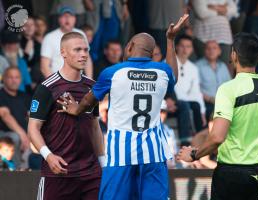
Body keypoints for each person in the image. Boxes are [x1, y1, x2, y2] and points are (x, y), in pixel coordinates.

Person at [57, 14, 189, 200]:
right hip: (153, 153)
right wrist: (170, 40)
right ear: (151, 55)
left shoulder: (113, 72)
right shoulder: (162, 71)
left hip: (121, 153)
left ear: (129, 47)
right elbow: (174, 76)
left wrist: (76, 109)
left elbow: (89, 101)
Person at [177, 32, 258, 200]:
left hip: (230, 172)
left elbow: (217, 137)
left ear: (233, 55)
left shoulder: (228, 89)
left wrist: (194, 155)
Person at [28, 32, 104, 200]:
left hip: (91, 174)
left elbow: (94, 127)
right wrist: (48, 156)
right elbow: (33, 128)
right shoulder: (47, 87)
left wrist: (103, 163)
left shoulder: (92, 87)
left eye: (86, 50)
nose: (83, 54)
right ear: (63, 53)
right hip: (58, 172)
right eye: (77, 50)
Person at [40, 6, 93, 78]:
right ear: (59, 19)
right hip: (57, 81)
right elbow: (44, 67)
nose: (67, 19)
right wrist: (56, 86)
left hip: (77, 81)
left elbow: (87, 59)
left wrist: (89, 81)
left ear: (75, 19)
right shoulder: (49, 37)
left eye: (70, 16)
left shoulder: (81, 34)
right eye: (64, 16)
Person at [174, 34, 206, 132]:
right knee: (185, 105)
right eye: (182, 46)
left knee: (196, 105)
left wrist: (202, 112)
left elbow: (196, 92)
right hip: (172, 100)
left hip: (185, 101)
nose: (185, 49)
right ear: (176, 47)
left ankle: (199, 141)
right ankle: (185, 142)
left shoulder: (193, 68)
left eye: (188, 47)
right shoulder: (168, 62)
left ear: (192, 49)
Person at [0, 67, 31, 167]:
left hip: (23, 134)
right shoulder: (1, 95)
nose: (14, 80)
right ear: (4, 79)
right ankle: (15, 171)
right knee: (15, 137)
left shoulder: (24, 96)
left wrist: (31, 135)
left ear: (21, 79)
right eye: (10, 77)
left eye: (17, 77)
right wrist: (23, 135)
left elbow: (31, 117)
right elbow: (5, 115)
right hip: (4, 134)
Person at [195, 40, 231, 120]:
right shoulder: (197, 66)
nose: (211, 51)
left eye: (214, 48)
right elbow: (195, 89)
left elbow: (230, 86)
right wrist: (210, 99)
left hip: (223, 102)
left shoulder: (223, 66)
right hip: (206, 103)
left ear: (219, 51)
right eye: (208, 48)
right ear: (204, 51)